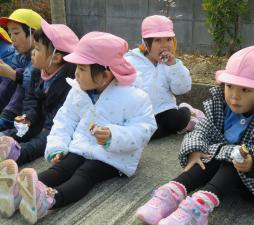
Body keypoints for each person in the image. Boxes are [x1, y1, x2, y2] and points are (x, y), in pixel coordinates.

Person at [0, 32, 157, 223]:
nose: (75, 74)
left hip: (115, 156)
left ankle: (49, 200)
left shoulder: (136, 97)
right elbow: (64, 120)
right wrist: (57, 147)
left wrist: (113, 136)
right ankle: (19, 192)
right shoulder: (78, 91)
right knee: (63, 168)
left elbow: (144, 129)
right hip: (82, 147)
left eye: (82, 69)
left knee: (85, 174)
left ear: (105, 75)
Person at [135, 46, 254, 225]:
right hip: (220, 164)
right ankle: (170, 193)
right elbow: (202, 129)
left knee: (234, 159)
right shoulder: (221, 104)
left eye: (245, 90)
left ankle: (197, 208)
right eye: (230, 86)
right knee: (205, 155)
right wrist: (195, 149)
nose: (234, 97)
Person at [0, 19, 79, 165]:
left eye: (37, 49)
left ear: (55, 57)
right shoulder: (37, 73)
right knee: (19, 131)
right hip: (40, 121)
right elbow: (31, 100)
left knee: (39, 141)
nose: (33, 53)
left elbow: (53, 127)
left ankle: (17, 155)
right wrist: (28, 117)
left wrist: (22, 153)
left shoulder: (68, 84)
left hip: (56, 129)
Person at [125, 15, 204, 139]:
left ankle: (186, 109)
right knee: (146, 134)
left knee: (177, 121)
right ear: (145, 43)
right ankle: (166, 128)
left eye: (168, 39)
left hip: (164, 108)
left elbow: (182, 89)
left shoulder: (173, 64)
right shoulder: (131, 61)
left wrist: (174, 66)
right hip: (140, 111)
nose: (165, 45)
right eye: (157, 40)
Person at [0, 9, 42, 130]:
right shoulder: (20, 54)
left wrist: (13, 74)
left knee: (17, 73)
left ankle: (7, 118)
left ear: (34, 34)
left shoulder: (44, 58)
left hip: (33, 115)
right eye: (10, 33)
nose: (12, 38)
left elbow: (36, 84)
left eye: (16, 33)